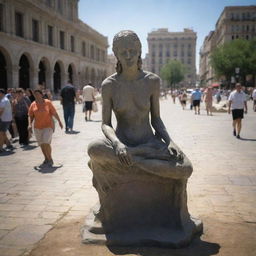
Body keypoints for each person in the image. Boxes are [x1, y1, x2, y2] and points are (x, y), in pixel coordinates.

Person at [88, 30, 191, 180]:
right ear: (116, 54)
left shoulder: (152, 81)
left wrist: (169, 142)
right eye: (123, 52)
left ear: (139, 52)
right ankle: (142, 161)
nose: (129, 56)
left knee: (186, 168)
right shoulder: (109, 85)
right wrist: (117, 144)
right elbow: (106, 124)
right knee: (94, 148)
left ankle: (133, 161)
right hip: (122, 143)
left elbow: (156, 119)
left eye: (132, 51)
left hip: (149, 143)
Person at [28, 89, 63, 167]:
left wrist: (60, 121)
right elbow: (30, 116)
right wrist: (29, 124)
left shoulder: (47, 102)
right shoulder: (33, 104)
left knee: (46, 142)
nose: (36, 96)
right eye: (35, 94)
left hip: (48, 126)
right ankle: (46, 158)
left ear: (41, 95)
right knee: (41, 144)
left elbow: (54, 113)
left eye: (38, 94)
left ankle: (50, 158)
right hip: (37, 127)